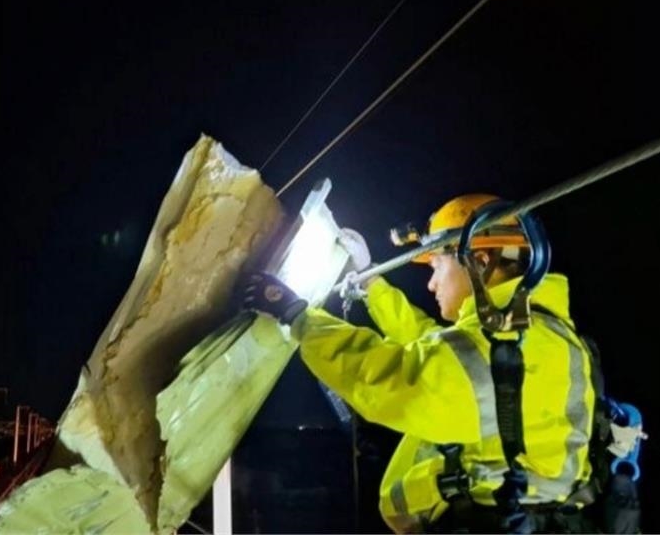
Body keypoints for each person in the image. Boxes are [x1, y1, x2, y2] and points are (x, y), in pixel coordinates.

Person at [243, 193, 602, 534]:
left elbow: (399, 379)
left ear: (480, 262)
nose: (430, 283)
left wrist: (296, 315)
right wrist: (372, 283)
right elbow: (428, 343)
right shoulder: (524, 334)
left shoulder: (512, 347)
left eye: (436, 265)